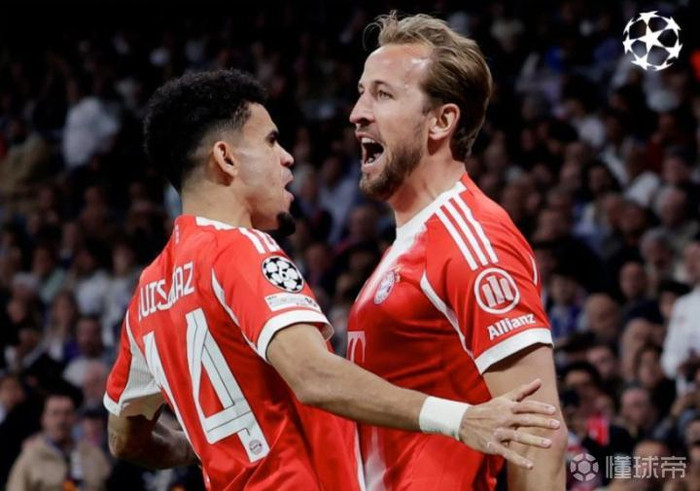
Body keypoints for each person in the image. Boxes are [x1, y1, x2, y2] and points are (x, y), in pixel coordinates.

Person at [103, 70, 561, 490]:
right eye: (271, 141)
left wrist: (205, 446)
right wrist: (461, 419)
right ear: (226, 158)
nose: (287, 158)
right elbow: (313, 377)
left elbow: (124, 438)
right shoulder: (240, 249)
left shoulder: (147, 294)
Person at [346, 12, 568, 489]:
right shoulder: (412, 242)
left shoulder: (474, 239)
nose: (357, 112)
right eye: (361, 92)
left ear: (442, 121)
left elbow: (538, 435)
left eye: (383, 94)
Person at [7, 392, 111, 491]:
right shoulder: (30, 458)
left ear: (75, 418)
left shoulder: (94, 455)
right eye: (55, 414)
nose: (61, 420)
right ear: (44, 419)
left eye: (67, 413)